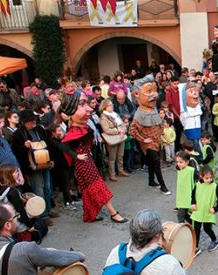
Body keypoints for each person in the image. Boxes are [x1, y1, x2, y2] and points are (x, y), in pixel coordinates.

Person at [59, 91, 128, 224]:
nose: (89, 108)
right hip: (83, 163)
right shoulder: (73, 130)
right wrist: (77, 156)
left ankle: (90, 215)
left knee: (87, 190)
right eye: (81, 104)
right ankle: (113, 213)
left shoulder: (79, 127)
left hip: (86, 160)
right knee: (97, 186)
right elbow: (63, 146)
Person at [130, 75, 171, 195]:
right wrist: (143, 139)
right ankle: (163, 186)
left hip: (157, 140)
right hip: (148, 143)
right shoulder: (139, 114)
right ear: (137, 94)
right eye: (149, 91)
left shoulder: (153, 109)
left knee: (152, 162)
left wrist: (162, 132)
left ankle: (151, 181)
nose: (154, 95)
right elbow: (132, 131)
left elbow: (158, 123)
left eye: (155, 91)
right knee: (156, 162)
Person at [190, 165, 218, 253]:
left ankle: (215, 240)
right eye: (207, 178)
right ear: (201, 176)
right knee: (196, 228)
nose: (209, 180)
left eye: (210, 177)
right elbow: (193, 194)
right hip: (198, 211)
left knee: (206, 228)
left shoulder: (214, 186)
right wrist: (193, 203)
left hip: (208, 212)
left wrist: (215, 208)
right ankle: (196, 247)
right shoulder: (197, 185)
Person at [99, 99, 130, 181]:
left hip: (121, 136)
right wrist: (118, 131)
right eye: (110, 105)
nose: (112, 106)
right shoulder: (103, 117)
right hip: (112, 138)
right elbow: (107, 130)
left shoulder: (115, 114)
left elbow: (122, 124)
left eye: (112, 105)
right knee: (112, 158)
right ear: (105, 107)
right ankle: (112, 174)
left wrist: (123, 130)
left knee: (120, 155)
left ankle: (120, 170)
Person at [175, 151, 198, 223]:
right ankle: (194, 225)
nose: (178, 164)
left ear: (187, 162)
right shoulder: (179, 168)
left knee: (180, 216)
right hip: (182, 197)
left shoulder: (191, 170)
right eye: (177, 162)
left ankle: (182, 230)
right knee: (184, 215)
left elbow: (201, 178)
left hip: (188, 197)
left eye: (180, 162)